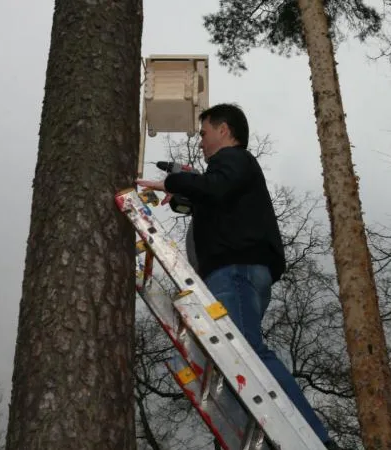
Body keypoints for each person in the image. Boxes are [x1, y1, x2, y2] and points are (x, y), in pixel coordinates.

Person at [136, 103, 340, 449]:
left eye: (204, 133)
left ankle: (318, 441)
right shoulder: (226, 176)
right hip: (237, 271)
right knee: (232, 363)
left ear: (224, 131)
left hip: (235, 270)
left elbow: (214, 187)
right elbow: (212, 196)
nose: (200, 142)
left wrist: (173, 179)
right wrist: (188, 190)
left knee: (247, 355)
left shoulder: (233, 160)